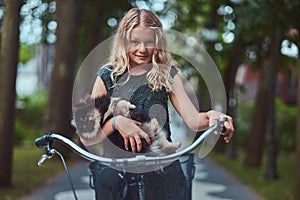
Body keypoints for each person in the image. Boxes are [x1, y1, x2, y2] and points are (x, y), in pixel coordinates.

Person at [79, 8, 234, 200]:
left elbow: (194, 121)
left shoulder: (166, 75)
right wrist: (116, 123)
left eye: (149, 42)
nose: (142, 49)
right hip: (118, 181)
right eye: (135, 42)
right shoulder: (107, 77)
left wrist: (213, 115)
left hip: (163, 177)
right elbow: (87, 138)